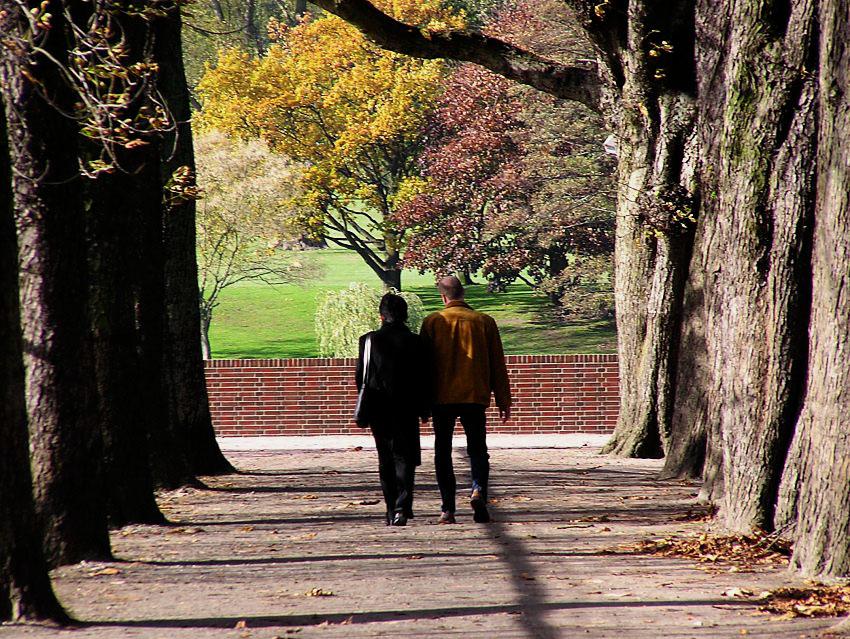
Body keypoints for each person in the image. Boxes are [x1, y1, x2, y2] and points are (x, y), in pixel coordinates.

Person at [420, 276, 512, 524]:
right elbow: (497, 364)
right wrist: (504, 399)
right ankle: (478, 489)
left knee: (442, 451)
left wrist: (423, 403)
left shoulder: (432, 322)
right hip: (474, 395)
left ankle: (447, 509)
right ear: (463, 293)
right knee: (478, 449)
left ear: (443, 296)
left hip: (442, 397)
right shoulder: (484, 321)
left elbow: (424, 366)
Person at [355, 293, 431, 526]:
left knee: (385, 457)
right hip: (407, 406)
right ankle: (402, 507)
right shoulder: (417, 342)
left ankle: (390, 509)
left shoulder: (368, 341)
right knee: (405, 457)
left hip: (378, 406)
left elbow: (361, 376)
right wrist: (425, 408)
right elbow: (425, 378)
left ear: (381, 316)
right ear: (405, 315)